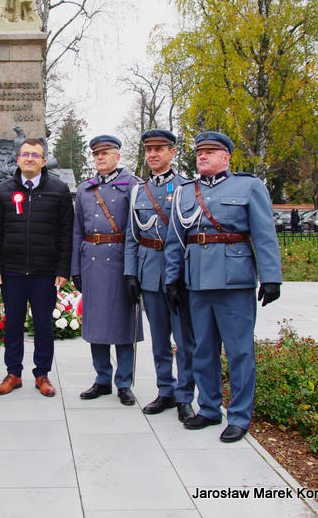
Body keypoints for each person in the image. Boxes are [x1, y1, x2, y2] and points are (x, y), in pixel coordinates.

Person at [165, 131, 282, 443]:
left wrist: (271, 277)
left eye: (210, 152)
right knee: (203, 349)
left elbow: (264, 233)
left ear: (226, 157)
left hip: (234, 281)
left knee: (239, 351)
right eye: (199, 153)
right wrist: (172, 279)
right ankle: (209, 408)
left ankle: (240, 416)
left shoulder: (249, 186)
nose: (202, 157)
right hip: (197, 282)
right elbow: (176, 239)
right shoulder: (185, 192)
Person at [0, 138, 74, 397]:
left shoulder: (59, 190)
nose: (30, 159)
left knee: (44, 325)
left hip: (45, 272)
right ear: (18, 160)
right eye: (26, 154)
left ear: (43, 161)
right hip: (11, 271)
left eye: (35, 155)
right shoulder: (3, 190)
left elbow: (66, 233)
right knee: (13, 324)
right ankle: (13, 373)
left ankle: (42, 373)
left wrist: (63, 269)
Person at [124, 130, 195, 421]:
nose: (153, 154)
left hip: (179, 275)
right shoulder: (138, 191)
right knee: (160, 339)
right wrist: (131, 274)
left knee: (184, 340)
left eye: (159, 149)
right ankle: (165, 390)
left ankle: (185, 396)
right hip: (150, 272)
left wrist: (180, 276)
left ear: (172, 152)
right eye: (149, 150)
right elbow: (132, 236)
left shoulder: (187, 188)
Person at [70, 135, 143, 406]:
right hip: (92, 261)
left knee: (123, 323)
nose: (100, 158)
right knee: (96, 322)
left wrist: (133, 271)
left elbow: (136, 230)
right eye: (96, 154)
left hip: (121, 261)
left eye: (105, 153)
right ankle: (102, 379)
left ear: (117, 157)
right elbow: (77, 231)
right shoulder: (85, 189)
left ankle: (124, 383)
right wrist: (75, 267)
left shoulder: (132, 185)